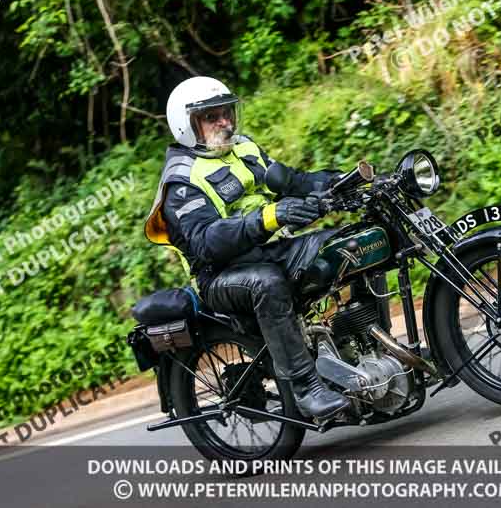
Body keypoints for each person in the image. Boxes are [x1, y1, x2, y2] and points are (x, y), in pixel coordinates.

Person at [144, 76, 351, 422]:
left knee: (350, 245)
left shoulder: (244, 149)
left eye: (227, 113)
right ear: (187, 125)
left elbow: (295, 182)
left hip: (274, 251)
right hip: (222, 276)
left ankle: (361, 347)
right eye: (212, 117)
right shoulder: (181, 181)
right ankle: (305, 389)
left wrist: (343, 181)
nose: (225, 122)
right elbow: (208, 241)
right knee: (265, 282)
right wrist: (270, 216)